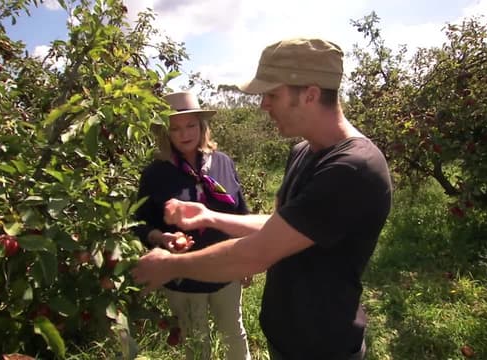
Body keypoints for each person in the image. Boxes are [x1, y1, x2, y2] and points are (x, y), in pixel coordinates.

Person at [132, 38, 392, 360]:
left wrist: (170, 266)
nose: (263, 105)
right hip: (287, 335)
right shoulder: (303, 152)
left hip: (323, 345)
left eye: (272, 94)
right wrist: (209, 216)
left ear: (310, 94)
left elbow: (258, 253)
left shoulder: (353, 167)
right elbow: (281, 226)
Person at [133, 91, 252, 360]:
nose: (184, 133)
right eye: (175, 128)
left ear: (202, 126)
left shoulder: (222, 162)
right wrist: (161, 237)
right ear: (166, 133)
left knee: (234, 332)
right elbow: (138, 223)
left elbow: (241, 212)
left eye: (191, 125)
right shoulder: (155, 174)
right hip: (182, 274)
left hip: (226, 265)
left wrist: (247, 258)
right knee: (195, 342)